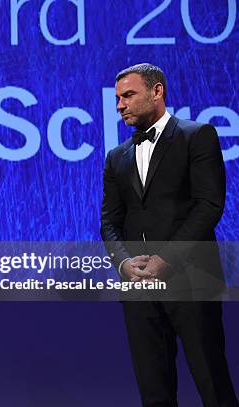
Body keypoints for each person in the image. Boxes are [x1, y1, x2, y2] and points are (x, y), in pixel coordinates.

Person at [101, 63, 238, 406]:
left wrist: (166, 259)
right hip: (139, 290)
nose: (120, 105)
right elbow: (109, 223)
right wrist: (125, 265)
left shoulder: (197, 136)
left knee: (214, 387)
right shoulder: (116, 157)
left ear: (157, 91)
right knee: (154, 394)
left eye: (128, 95)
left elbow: (209, 205)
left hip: (191, 281)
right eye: (118, 98)